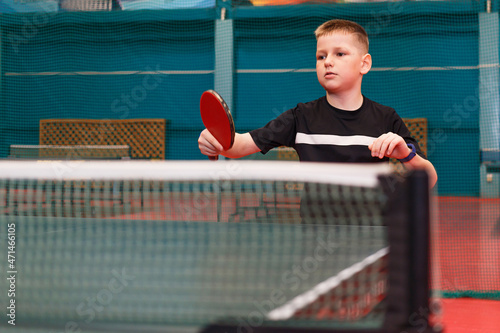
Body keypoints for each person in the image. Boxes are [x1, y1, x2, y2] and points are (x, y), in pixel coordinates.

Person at [198, 19, 438, 188]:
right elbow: (238, 146)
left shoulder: (386, 118)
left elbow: (429, 179)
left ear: (364, 64)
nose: (328, 62)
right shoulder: (300, 117)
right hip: (315, 234)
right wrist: (216, 140)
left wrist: (405, 154)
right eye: (321, 56)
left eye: (339, 54)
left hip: (373, 234)